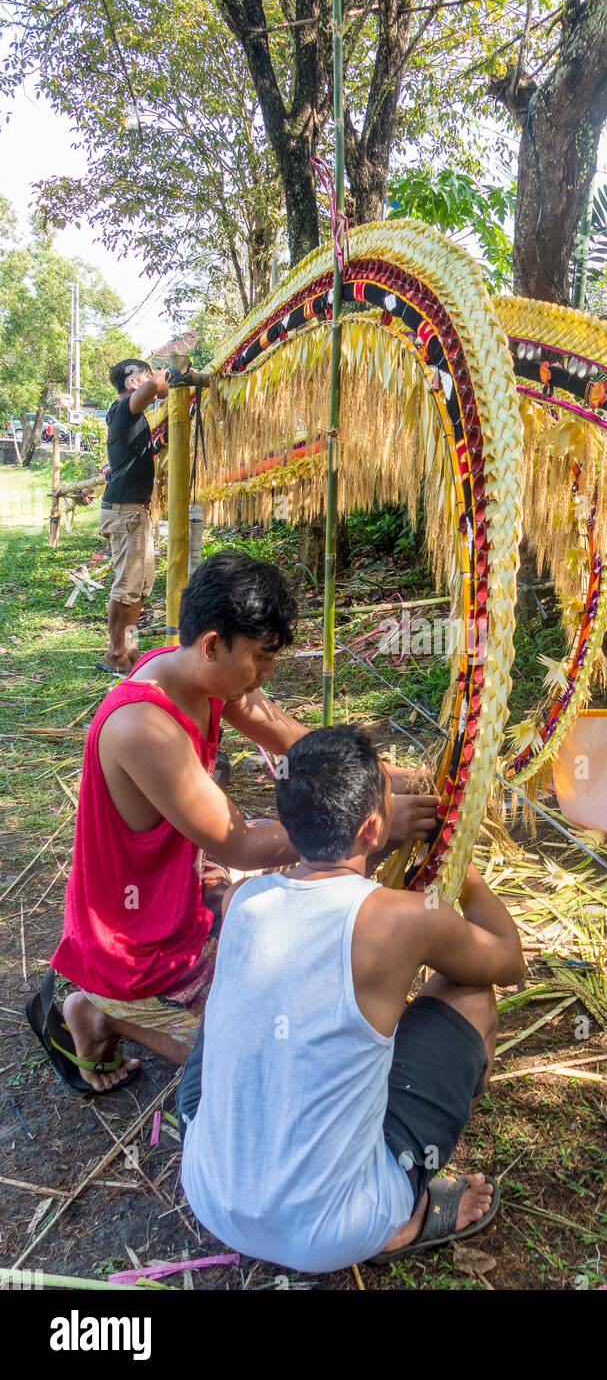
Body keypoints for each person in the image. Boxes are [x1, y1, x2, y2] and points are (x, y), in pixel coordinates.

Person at [28, 553, 438, 1095]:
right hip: (136, 941)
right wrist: (373, 822)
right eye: (262, 658)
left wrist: (382, 777)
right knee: (263, 1058)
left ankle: (148, 982)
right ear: (212, 643)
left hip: (184, 890)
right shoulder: (143, 728)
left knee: (321, 860)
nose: (268, 674)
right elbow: (240, 844)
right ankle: (102, 1010)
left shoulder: (201, 679)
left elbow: (292, 739)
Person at [178, 725, 524, 1272]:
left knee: (240, 1010)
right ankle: (407, 1213)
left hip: (211, 1195)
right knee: (471, 995)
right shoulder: (404, 919)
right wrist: (466, 872)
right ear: (372, 828)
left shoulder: (242, 898)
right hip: (336, 1230)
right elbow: (510, 961)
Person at [99, 358, 168, 675]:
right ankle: (116, 655)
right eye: (145, 375)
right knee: (126, 588)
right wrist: (169, 377)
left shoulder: (127, 413)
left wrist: (160, 384)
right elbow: (155, 388)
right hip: (125, 511)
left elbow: (154, 388)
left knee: (139, 589)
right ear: (131, 382)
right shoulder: (124, 409)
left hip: (134, 511)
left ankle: (129, 648)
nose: (151, 379)